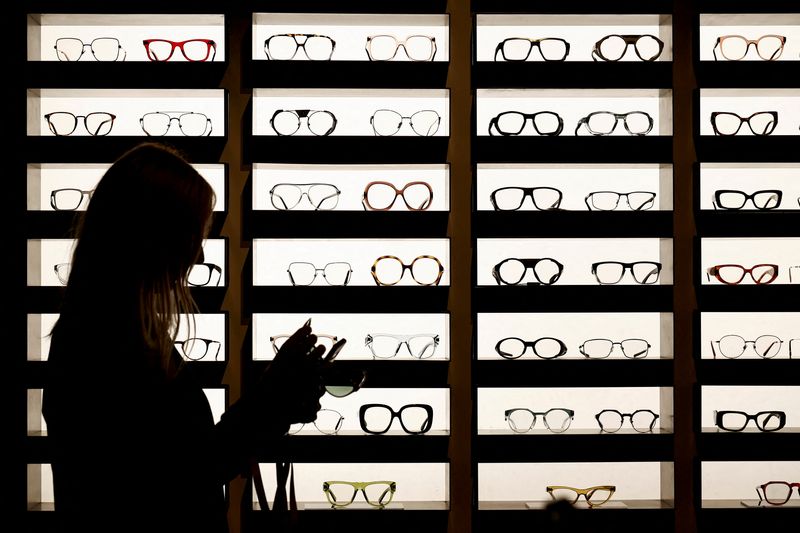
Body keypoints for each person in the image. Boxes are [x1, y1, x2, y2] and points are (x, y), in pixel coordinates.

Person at [41, 142, 338, 533]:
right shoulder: (110, 346)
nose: (198, 256)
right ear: (153, 238)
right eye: (194, 236)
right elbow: (180, 480)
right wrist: (272, 400)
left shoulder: (103, 331)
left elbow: (179, 463)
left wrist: (273, 400)